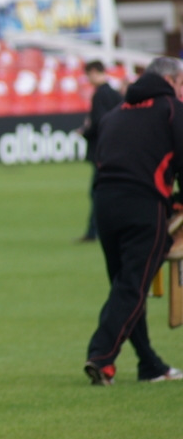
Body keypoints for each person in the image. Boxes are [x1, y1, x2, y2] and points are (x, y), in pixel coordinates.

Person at [84, 57, 183, 385]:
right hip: (144, 205)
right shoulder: (172, 109)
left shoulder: (117, 113)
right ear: (170, 81)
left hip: (105, 205)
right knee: (132, 287)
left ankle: (149, 365)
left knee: (127, 288)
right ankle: (101, 356)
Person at [76, 60, 122, 242]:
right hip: (115, 150)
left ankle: (94, 231)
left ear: (94, 72)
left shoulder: (100, 95)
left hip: (102, 151)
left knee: (97, 192)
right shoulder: (115, 94)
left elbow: (99, 121)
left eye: (88, 75)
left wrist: (85, 132)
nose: (88, 79)